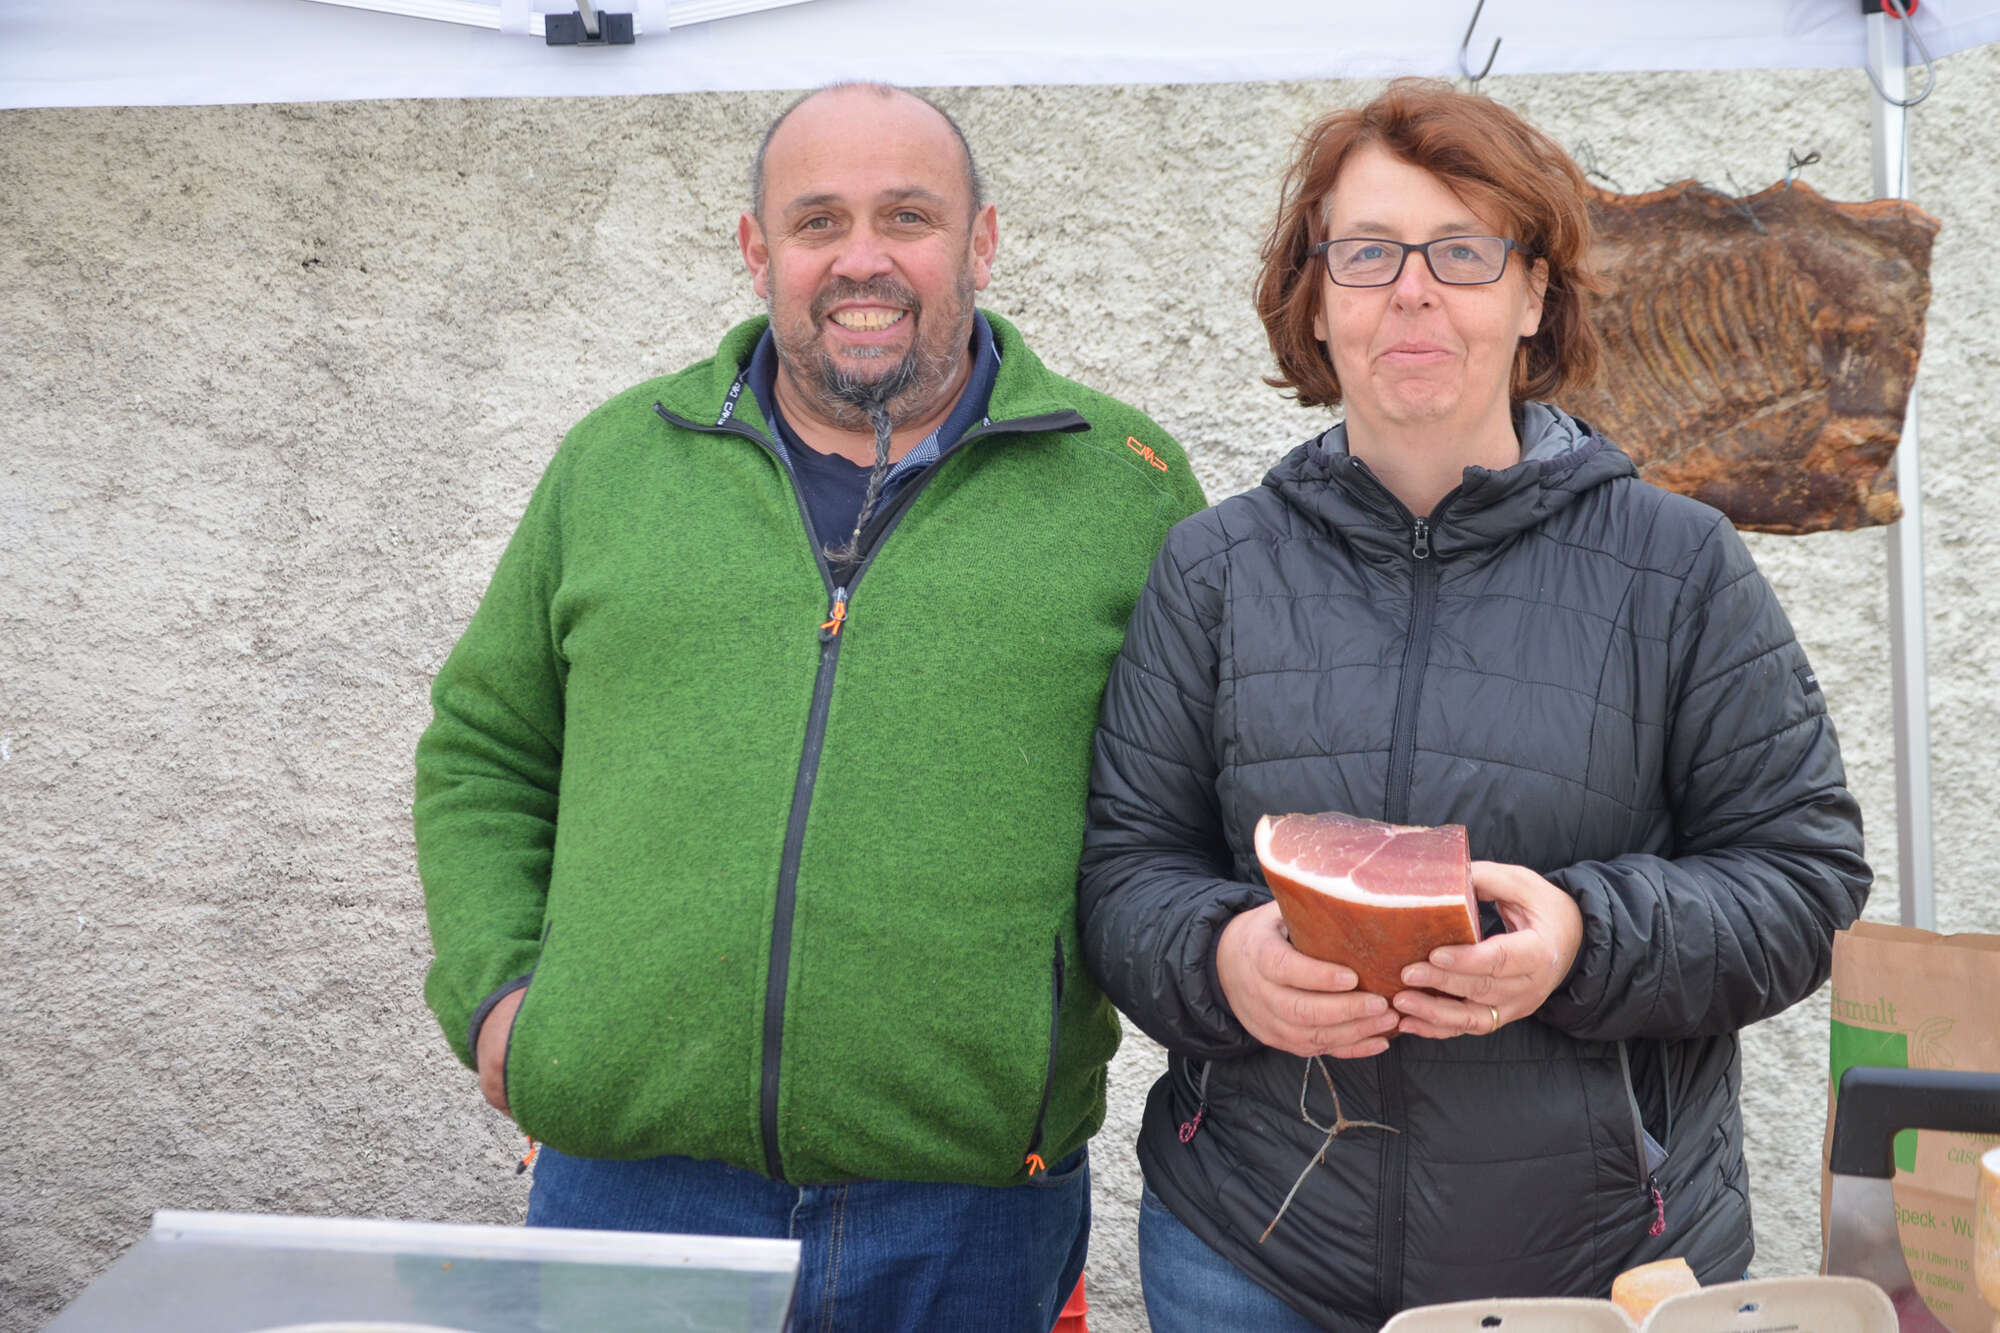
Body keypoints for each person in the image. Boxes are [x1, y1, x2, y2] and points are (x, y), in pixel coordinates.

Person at [1078, 79, 1870, 1332]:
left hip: (1600, 1270)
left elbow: (1802, 879)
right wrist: (1221, 960)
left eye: (1460, 251)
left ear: (1532, 295)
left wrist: (1585, 938)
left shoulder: (1674, 567)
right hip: (1254, 1256)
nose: (1411, 290)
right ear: (1315, 296)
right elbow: (1123, 872)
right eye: (1366, 252)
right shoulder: (1213, 570)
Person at [413, 82, 1205, 1332]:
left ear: (981, 243)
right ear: (757, 249)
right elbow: (484, 749)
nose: (861, 259)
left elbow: (1176, 807)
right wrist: (498, 989)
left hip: (970, 1212)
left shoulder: (1123, 485)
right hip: (631, 1190)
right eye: (817, 220)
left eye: (908, 217)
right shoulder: (617, 462)